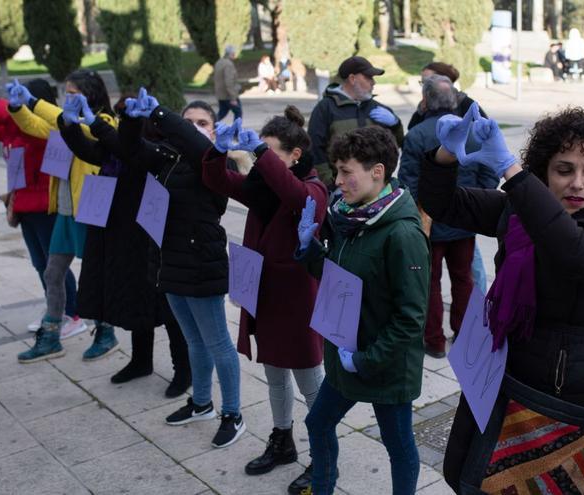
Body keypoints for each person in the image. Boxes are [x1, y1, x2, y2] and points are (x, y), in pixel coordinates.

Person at [419, 105, 584, 492]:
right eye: (564, 169)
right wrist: (445, 154)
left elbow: (583, 257)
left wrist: (512, 171)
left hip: (558, 385)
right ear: (545, 170)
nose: (578, 183)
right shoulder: (518, 208)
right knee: (466, 471)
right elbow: (443, 204)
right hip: (497, 363)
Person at [295, 127, 430, 495]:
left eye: (345, 171)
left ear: (378, 172)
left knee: (399, 447)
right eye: (336, 171)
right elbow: (338, 280)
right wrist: (311, 250)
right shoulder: (347, 217)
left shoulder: (403, 235)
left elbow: (411, 318)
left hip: (384, 365)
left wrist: (367, 359)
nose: (337, 182)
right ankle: (322, 487)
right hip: (345, 353)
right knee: (318, 423)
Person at [201, 107, 328, 493]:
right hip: (266, 294)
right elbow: (217, 180)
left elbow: (295, 198)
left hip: (298, 300)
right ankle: (282, 440)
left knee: (310, 380)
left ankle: (323, 454)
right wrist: (218, 151)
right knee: (274, 373)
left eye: (270, 153)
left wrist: (259, 151)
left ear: (294, 155)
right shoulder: (262, 187)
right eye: (260, 152)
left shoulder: (314, 188)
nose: (261, 161)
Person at [121, 89, 245, 449]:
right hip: (170, 262)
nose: (193, 128)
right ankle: (202, 403)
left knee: (218, 342)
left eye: (202, 122)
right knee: (193, 339)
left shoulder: (217, 160)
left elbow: (195, 148)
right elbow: (131, 150)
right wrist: (133, 118)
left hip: (201, 264)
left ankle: (233, 413)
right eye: (188, 121)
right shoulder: (167, 157)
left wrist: (162, 115)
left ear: (213, 130)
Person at [54, 93, 191, 397]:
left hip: (150, 233)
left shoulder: (158, 147)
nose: (121, 120)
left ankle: (184, 369)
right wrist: (69, 122)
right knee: (134, 297)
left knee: (165, 306)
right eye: (120, 114)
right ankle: (141, 361)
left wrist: (97, 123)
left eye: (127, 115)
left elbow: (128, 149)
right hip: (120, 231)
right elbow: (90, 151)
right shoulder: (116, 144)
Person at [6, 72, 120, 363]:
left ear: (90, 94)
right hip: (66, 209)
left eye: (73, 93)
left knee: (96, 275)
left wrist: (35, 101)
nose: (67, 97)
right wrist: (19, 107)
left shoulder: (103, 122)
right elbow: (34, 125)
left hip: (92, 206)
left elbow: (76, 127)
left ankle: (105, 331)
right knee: (52, 272)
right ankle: (51, 335)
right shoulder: (65, 122)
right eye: (65, 92)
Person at [0, 81, 81, 336]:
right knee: (41, 263)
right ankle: (54, 309)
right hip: (24, 205)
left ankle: (73, 312)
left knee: (55, 265)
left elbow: (23, 124)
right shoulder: (15, 129)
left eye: (21, 100)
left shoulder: (43, 127)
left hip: (46, 205)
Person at [398, 75, 498, 359]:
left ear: (426, 100)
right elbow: (490, 171)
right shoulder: (472, 131)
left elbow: (407, 181)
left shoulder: (417, 134)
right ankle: (463, 334)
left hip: (429, 223)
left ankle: (434, 341)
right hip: (465, 221)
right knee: (463, 278)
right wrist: (478, 197)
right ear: (454, 101)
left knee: (429, 282)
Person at [307, 55, 404, 188]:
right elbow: (315, 148)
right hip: (341, 186)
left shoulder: (378, 108)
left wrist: (395, 124)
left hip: (375, 188)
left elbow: (396, 145)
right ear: (352, 79)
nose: (373, 82)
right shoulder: (326, 108)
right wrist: (330, 183)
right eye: (368, 77)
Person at [406, 61, 488, 131]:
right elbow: (412, 131)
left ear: (445, 81)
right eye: (423, 82)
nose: (425, 86)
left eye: (428, 81)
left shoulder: (466, 104)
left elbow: (485, 130)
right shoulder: (423, 106)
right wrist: (421, 112)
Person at [214, 44, 241, 122]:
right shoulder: (228, 64)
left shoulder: (219, 62)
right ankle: (236, 132)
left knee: (222, 112)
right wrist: (233, 98)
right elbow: (229, 81)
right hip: (228, 95)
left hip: (221, 94)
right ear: (230, 54)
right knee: (238, 112)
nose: (234, 55)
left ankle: (211, 125)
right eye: (233, 53)